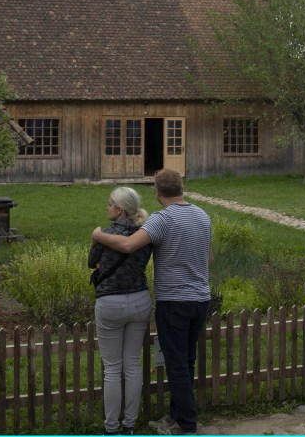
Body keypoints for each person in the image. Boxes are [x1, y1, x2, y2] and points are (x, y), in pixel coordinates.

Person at [92, 168, 212, 436]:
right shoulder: (203, 215)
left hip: (174, 300)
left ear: (157, 192)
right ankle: (176, 414)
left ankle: (187, 424)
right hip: (201, 298)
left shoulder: (162, 219)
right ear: (181, 188)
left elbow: (128, 245)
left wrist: (99, 236)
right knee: (187, 359)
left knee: (176, 363)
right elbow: (209, 258)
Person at [89, 186, 153, 436]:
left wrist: (97, 236)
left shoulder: (106, 234)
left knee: (113, 369)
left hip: (111, 302)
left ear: (119, 209)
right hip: (139, 300)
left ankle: (112, 428)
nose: (107, 207)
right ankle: (130, 424)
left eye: (109, 204)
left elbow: (90, 262)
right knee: (133, 365)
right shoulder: (144, 233)